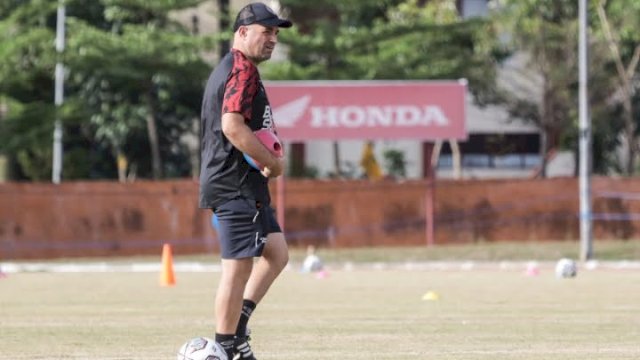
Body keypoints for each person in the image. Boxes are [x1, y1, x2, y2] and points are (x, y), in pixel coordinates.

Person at [198, 3, 292, 360]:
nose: (272, 39)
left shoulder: (241, 68)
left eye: (275, 34)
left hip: (245, 184)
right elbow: (231, 125)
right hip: (233, 183)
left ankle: (237, 327)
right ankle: (224, 347)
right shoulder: (241, 69)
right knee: (237, 268)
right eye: (265, 32)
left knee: (276, 253)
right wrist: (272, 162)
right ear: (241, 33)